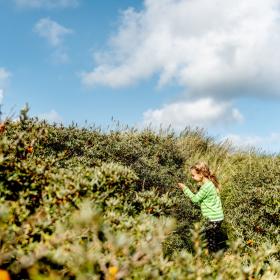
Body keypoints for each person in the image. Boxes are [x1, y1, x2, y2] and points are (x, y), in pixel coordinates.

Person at [177, 162, 226, 253]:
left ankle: (215, 260)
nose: (192, 177)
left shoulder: (206, 187)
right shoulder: (210, 184)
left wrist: (185, 188)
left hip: (212, 218)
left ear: (201, 174)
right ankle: (216, 255)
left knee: (210, 242)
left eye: (193, 175)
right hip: (218, 217)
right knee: (212, 239)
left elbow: (195, 199)